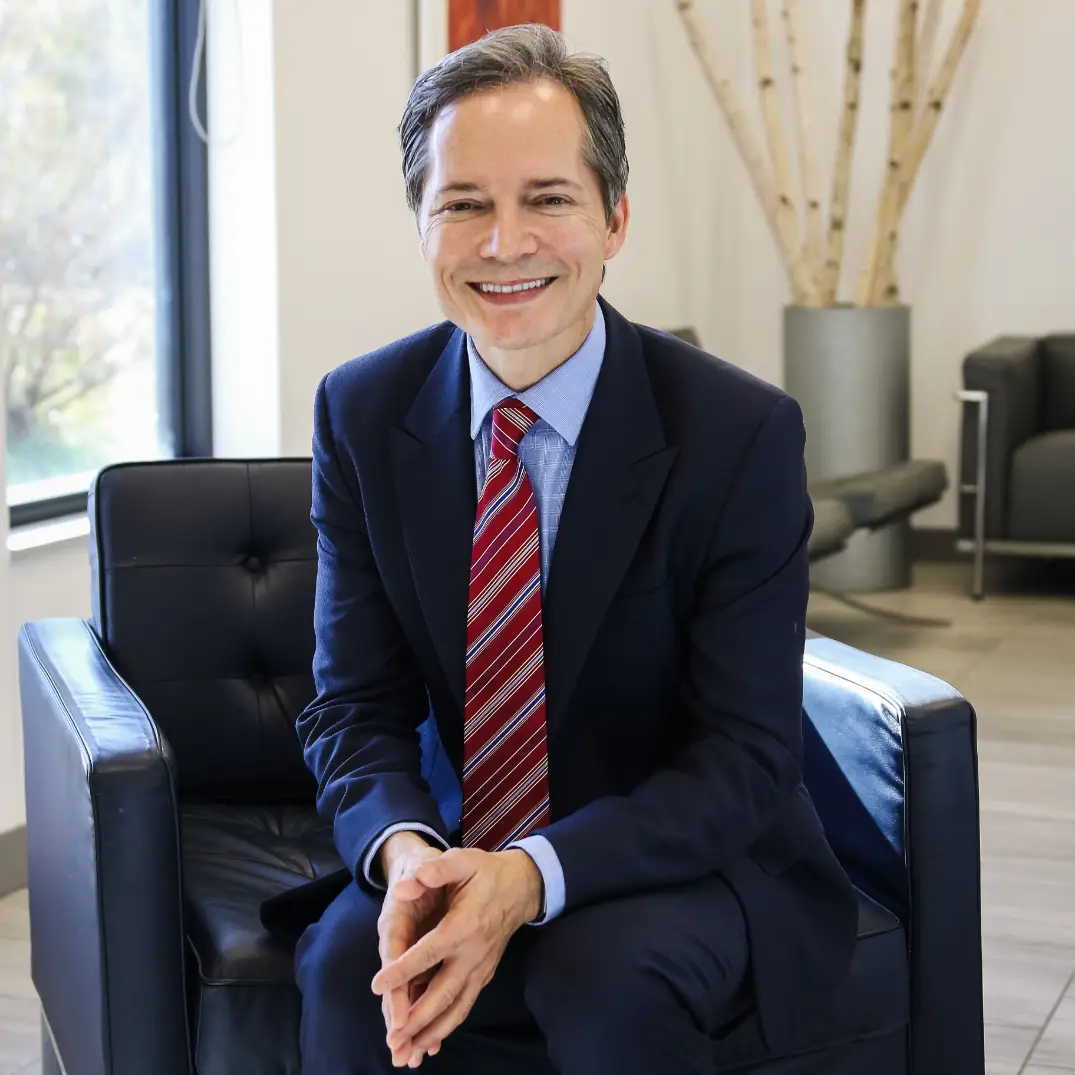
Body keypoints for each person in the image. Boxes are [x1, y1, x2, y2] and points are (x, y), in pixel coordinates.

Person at [288, 22, 857, 1075]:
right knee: (343, 973)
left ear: (614, 219)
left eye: (546, 199)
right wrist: (408, 857)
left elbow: (745, 757)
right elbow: (351, 706)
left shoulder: (738, 434)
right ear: (421, 223)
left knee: (598, 973)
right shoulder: (361, 412)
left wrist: (534, 873)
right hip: (455, 838)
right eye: (464, 204)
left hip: (682, 855)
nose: (504, 244)